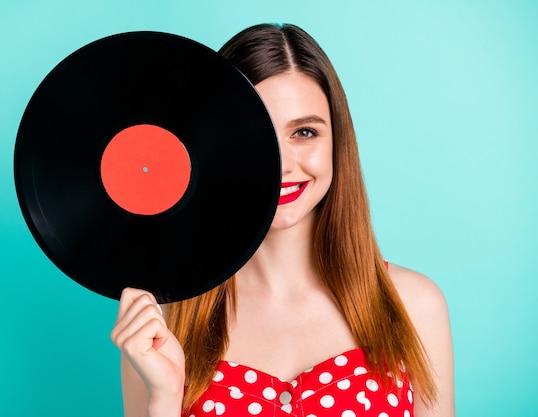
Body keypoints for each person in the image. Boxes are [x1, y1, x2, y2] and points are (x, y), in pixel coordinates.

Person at [110, 23, 455, 417]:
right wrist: (164, 400)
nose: (281, 165)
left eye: (304, 132)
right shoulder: (160, 322)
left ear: (337, 143)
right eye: (252, 134)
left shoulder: (415, 306)